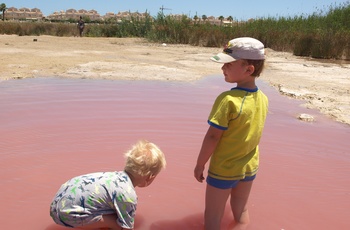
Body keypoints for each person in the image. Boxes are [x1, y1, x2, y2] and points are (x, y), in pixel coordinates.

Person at [194, 37, 268, 230]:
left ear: (248, 69)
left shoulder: (228, 100)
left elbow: (212, 136)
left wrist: (200, 164)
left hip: (225, 168)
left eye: (228, 64)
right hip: (249, 166)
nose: (222, 69)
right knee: (241, 210)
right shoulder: (263, 98)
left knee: (213, 214)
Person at [50, 140, 166, 229]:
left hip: (57, 202)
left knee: (112, 209)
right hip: (65, 215)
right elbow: (126, 228)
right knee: (119, 224)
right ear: (150, 177)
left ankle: (91, 222)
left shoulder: (112, 177)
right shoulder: (128, 196)